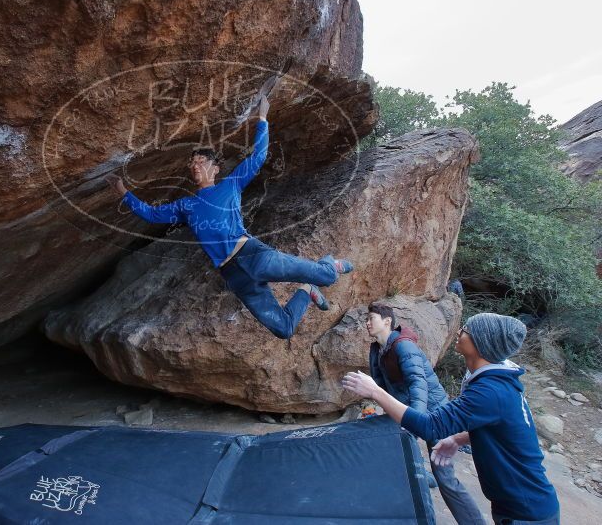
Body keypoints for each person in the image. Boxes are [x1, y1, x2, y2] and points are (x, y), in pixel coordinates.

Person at [105, 95, 353, 339]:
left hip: (254, 256)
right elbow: (151, 214)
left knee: (328, 276)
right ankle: (306, 290)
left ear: (215, 168)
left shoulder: (230, 184)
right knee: (283, 329)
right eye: (192, 162)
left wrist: (263, 117)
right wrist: (123, 191)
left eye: (201, 160)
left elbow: (258, 157)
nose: (194, 165)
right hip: (234, 276)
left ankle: (330, 263)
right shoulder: (186, 205)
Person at [344, 313, 560, 524]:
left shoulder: (490, 391)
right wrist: (459, 439)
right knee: (444, 477)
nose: (459, 331)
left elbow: (429, 423)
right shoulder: (497, 382)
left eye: (466, 330)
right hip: (518, 505)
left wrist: (375, 393)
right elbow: (501, 428)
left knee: (446, 479)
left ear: (480, 343)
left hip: (526, 513)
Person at [366, 302, 484, 524]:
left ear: (387, 321)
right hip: (410, 413)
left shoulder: (403, 347)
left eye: (371, 318)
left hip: (435, 414)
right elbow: (383, 388)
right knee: (400, 456)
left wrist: (415, 423)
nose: (367, 323)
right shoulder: (377, 350)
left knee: (445, 478)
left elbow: (418, 385)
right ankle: (422, 478)